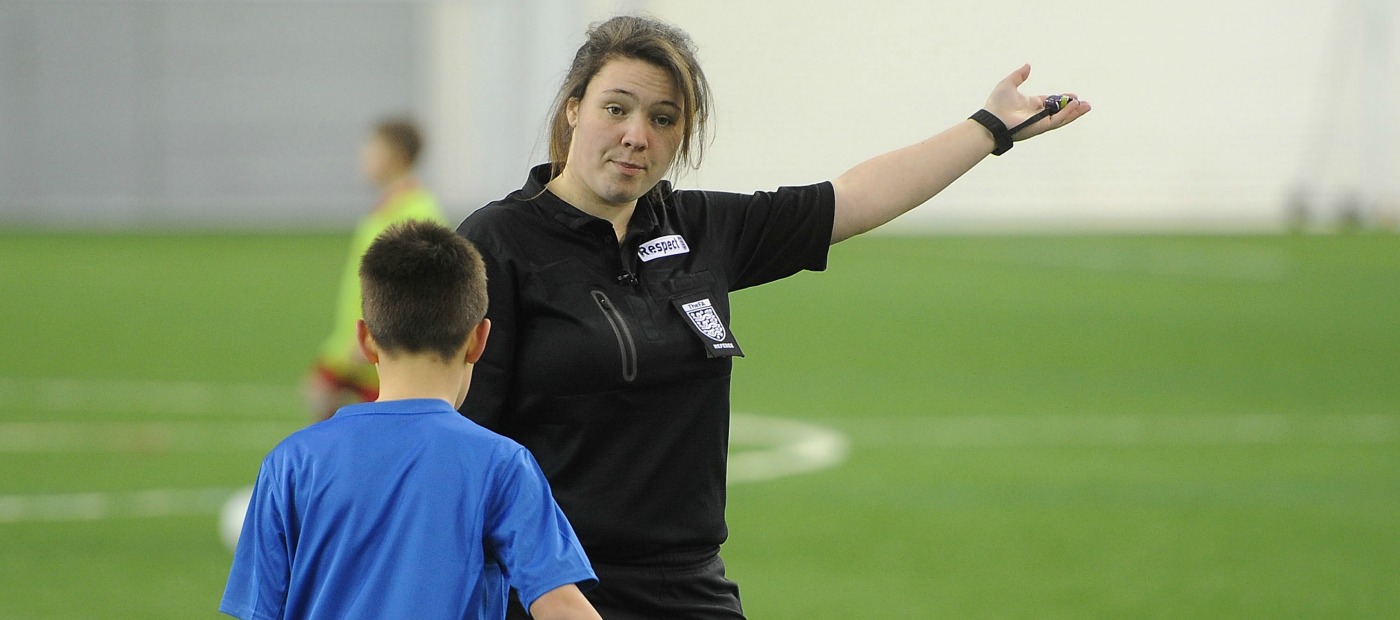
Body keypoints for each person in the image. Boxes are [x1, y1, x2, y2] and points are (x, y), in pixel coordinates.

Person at [456, 15, 1091, 619]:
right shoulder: (497, 242)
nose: (636, 135)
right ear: (574, 109)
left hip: (688, 585)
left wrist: (989, 127)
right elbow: (461, 439)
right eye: (615, 108)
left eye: (663, 118)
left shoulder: (701, 228)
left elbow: (853, 197)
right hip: (552, 588)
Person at [221, 221, 602, 620]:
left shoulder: (291, 463)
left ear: (366, 339)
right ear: (479, 340)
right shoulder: (501, 464)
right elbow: (560, 606)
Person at [304, 117, 447, 421]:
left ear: (397, 157)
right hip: (353, 339)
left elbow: (419, 287)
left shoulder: (417, 212)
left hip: (379, 344)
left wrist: (380, 336)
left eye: (373, 149)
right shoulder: (386, 208)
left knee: (359, 424)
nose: (363, 156)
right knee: (320, 399)